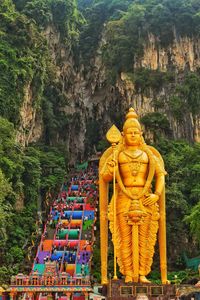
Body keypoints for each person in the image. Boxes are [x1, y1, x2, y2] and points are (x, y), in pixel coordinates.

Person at [99, 108, 168, 284]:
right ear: (123, 134)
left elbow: (160, 175)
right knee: (124, 237)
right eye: (129, 132)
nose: (132, 135)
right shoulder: (117, 154)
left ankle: (143, 273)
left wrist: (156, 194)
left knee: (145, 238)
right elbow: (105, 177)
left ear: (141, 133)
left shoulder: (149, 155)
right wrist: (112, 168)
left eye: (136, 132)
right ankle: (128, 273)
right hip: (123, 197)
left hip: (145, 197)